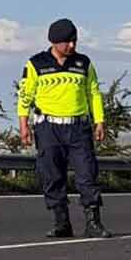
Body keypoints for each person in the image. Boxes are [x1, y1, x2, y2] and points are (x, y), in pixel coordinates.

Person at [18, 18, 110, 238]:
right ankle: (61, 222)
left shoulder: (84, 63)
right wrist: (23, 125)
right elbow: (24, 96)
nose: (72, 46)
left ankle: (93, 222)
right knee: (52, 175)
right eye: (67, 42)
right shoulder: (36, 64)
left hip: (78, 127)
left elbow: (94, 94)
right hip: (48, 128)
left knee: (87, 174)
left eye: (74, 41)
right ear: (54, 42)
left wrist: (100, 121)